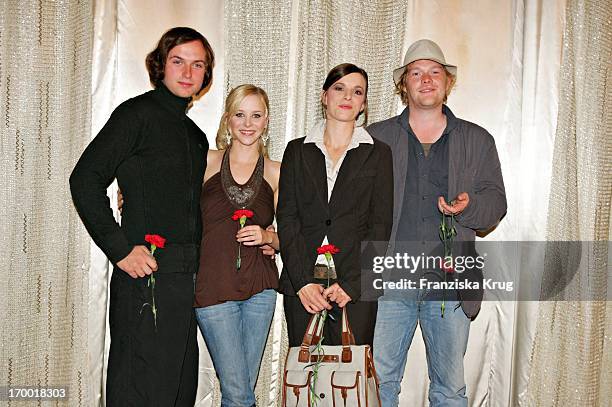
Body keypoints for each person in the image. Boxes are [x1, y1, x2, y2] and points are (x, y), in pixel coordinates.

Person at [69, 27, 214, 406]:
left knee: (179, 390)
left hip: (185, 284)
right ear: (160, 66)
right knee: (139, 389)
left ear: (205, 75)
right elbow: (85, 179)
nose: (187, 72)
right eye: (178, 61)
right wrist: (120, 249)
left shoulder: (196, 136)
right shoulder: (137, 114)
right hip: (144, 276)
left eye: (197, 64)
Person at [368, 39, 507, 406]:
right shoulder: (374, 138)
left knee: (449, 388)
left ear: (447, 83)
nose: (426, 80)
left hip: (449, 281)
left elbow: (496, 203)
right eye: (416, 73)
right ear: (404, 85)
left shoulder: (478, 140)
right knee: (378, 382)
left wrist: (468, 206)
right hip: (388, 281)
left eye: (434, 73)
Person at [277, 63, 394, 347]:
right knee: (304, 381)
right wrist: (303, 281)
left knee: (348, 383)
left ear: (363, 104)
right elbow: (288, 218)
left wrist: (354, 284)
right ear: (324, 96)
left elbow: (380, 226)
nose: (347, 97)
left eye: (357, 92)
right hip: (304, 286)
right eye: (339, 88)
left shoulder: (379, 153)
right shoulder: (297, 150)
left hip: (356, 286)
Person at [193, 84, 280, 406]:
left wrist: (268, 237)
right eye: (240, 115)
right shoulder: (206, 162)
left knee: (241, 390)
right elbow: (166, 199)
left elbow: (296, 236)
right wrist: (128, 197)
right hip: (212, 287)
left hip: (261, 290)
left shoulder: (277, 172)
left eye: (256, 115)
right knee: (238, 392)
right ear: (228, 119)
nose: (248, 123)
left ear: (266, 120)